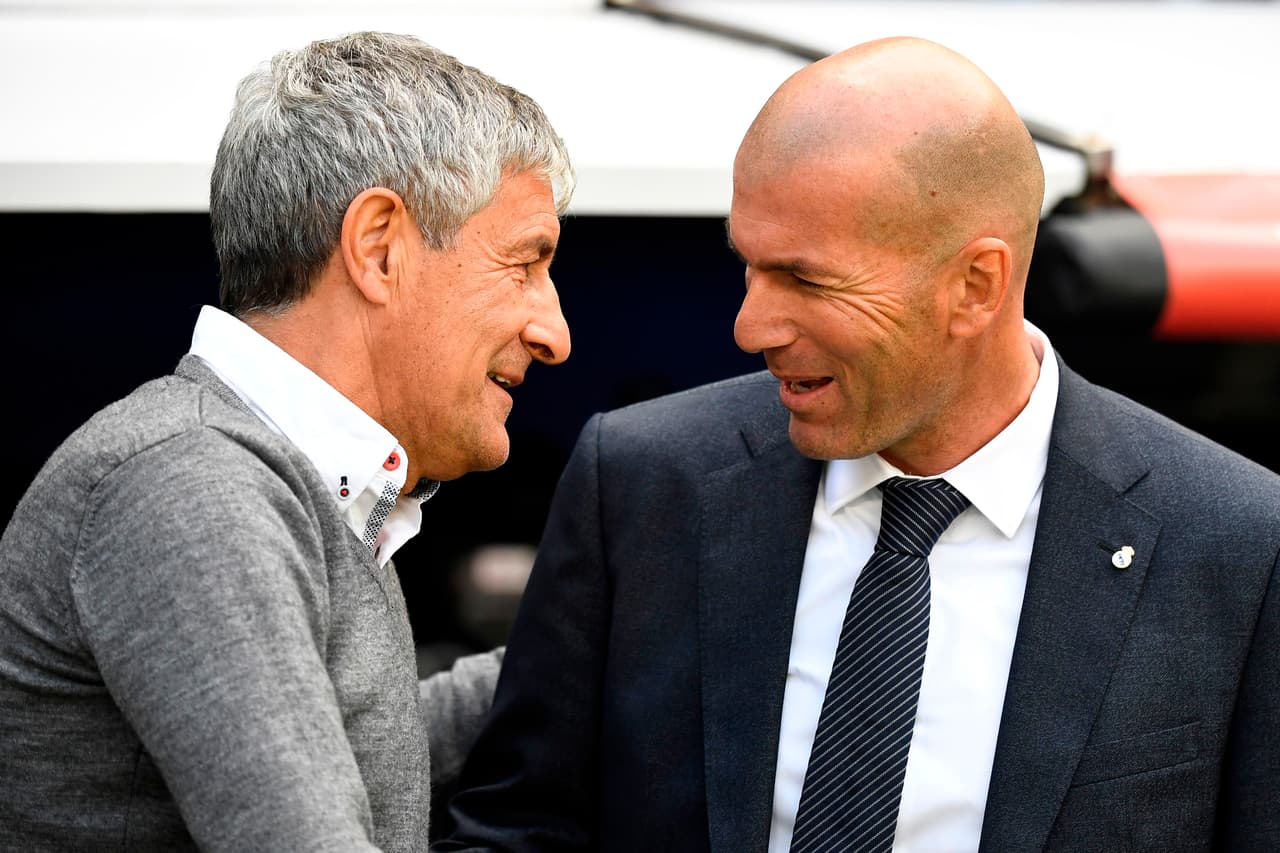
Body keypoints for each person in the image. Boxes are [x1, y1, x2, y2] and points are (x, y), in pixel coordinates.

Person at [436, 36, 1280, 852]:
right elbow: (517, 828)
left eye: (806, 278)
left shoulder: (1237, 542)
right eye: (749, 267)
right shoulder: (642, 481)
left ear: (975, 284)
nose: (748, 325)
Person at [0, 30, 573, 852]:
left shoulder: (267, 480)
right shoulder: (191, 486)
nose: (553, 331)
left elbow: (358, 747)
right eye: (525, 263)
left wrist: (595, 647)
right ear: (379, 247)